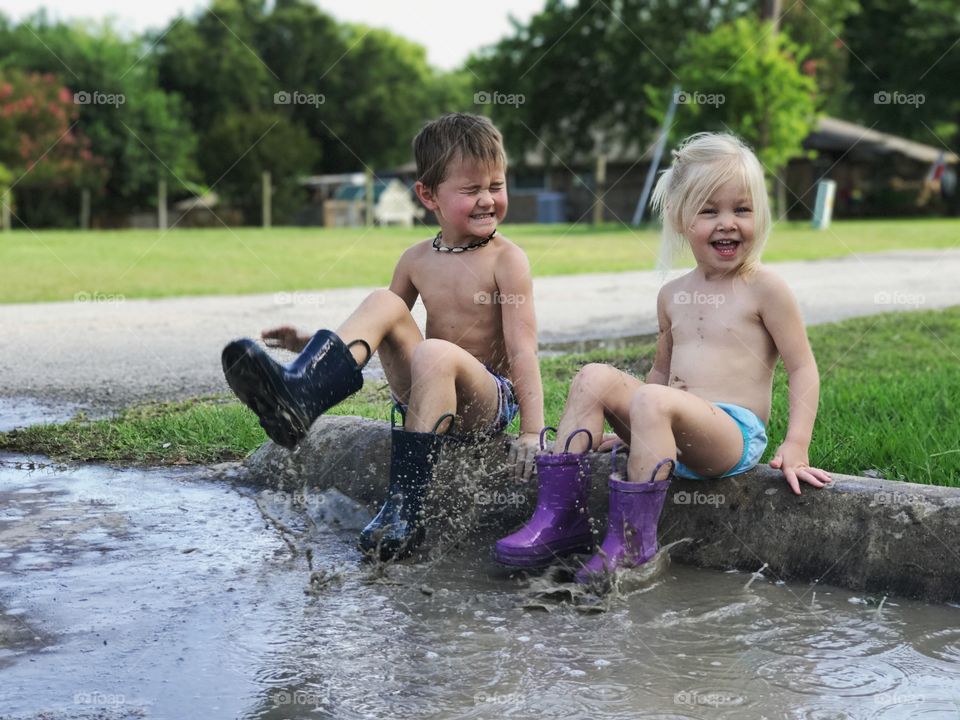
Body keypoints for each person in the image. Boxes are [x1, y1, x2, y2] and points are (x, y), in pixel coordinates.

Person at [494, 132, 832, 582]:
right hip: (670, 426)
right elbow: (661, 371)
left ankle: (635, 546)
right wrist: (638, 431)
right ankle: (562, 519)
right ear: (679, 218)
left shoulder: (765, 289)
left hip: (730, 436)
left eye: (742, 209)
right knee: (593, 376)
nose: (727, 223)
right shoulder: (672, 294)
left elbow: (803, 367)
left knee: (653, 400)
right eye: (709, 211)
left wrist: (797, 443)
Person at [222, 113, 544, 560]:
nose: (488, 200)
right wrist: (311, 342)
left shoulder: (507, 260)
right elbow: (382, 329)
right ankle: (302, 391)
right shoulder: (416, 259)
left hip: (484, 399)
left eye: (496, 185)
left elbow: (523, 348)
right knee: (385, 301)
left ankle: (404, 508)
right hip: (427, 389)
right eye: (471, 190)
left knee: (434, 351)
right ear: (428, 195)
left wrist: (531, 432)